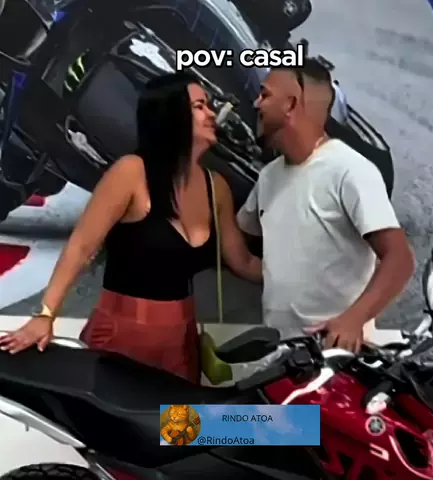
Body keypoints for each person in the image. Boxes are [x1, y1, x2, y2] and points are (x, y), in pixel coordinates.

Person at [0, 71, 262, 382]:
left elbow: (243, 262)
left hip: (182, 342)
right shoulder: (131, 173)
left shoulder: (215, 187)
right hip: (121, 336)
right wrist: (46, 315)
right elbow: (82, 246)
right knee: (116, 415)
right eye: (199, 106)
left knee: (178, 416)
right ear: (171, 115)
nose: (211, 114)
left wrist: (308, 283)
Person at [237, 58, 415, 353]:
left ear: (291, 105)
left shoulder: (350, 170)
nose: (256, 103)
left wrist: (353, 320)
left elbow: (400, 259)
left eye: (265, 95)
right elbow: (246, 245)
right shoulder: (268, 177)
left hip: (339, 358)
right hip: (284, 356)